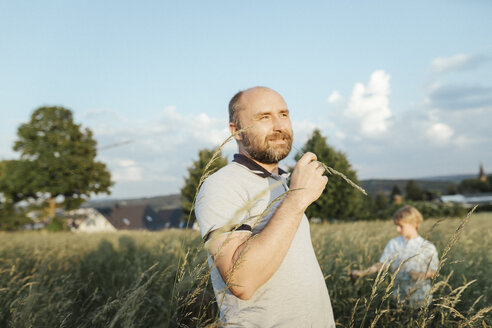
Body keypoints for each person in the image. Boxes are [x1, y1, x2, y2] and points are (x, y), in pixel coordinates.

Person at [195, 87, 336, 327]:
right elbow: (241, 282)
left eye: (283, 114)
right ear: (236, 131)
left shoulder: (283, 180)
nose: (279, 125)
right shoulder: (221, 185)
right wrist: (297, 199)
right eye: (264, 117)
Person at [350, 205, 439, 307]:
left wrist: (420, 275)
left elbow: (434, 271)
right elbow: (382, 264)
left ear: (414, 224)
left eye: (401, 226)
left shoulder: (427, 246)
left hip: (421, 298)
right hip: (398, 297)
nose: (397, 229)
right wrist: (362, 273)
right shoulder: (394, 243)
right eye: (396, 225)